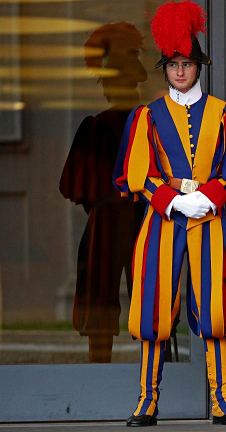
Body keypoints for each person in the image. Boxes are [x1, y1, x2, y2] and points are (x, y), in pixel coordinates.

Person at [112, 1, 226, 427]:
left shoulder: (225, 113)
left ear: (199, 66)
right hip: (163, 219)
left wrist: (210, 197)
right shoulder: (147, 116)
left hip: (211, 218)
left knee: (219, 308)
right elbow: (138, 174)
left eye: (187, 63)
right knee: (153, 310)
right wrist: (173, 200)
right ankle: (147, 400)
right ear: (166, 66)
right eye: (174, 64)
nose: (180, 71)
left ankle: (222, 400)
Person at [59, 22, 147, 363]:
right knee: (142, 298)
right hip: (129, 220)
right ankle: (153, 374)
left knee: (110, 305)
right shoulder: (138, 125)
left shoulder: (106, 128)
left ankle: (107, 370)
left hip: (114, 223)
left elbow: (74, 187)